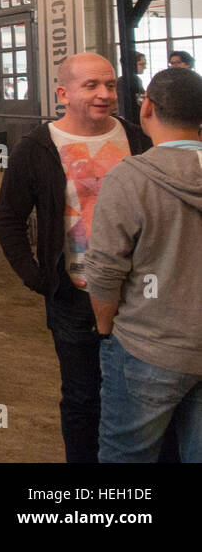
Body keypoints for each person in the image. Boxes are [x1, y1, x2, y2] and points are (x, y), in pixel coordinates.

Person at [0, 52, 151, 463]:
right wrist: (39, 278)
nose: (105, 95)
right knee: (83, 397)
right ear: (63, 93)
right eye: (92, 86)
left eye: (111, 85)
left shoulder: (137, 140)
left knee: (141, 394)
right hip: (73, 295)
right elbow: (9, 218)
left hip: (139, 294)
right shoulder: (37, 148)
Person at [87, 67, 202, 462]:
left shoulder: (129, 179)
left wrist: (106, 326)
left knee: (126, 457)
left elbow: (103, 270)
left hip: (146, 345)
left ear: (147, 107)